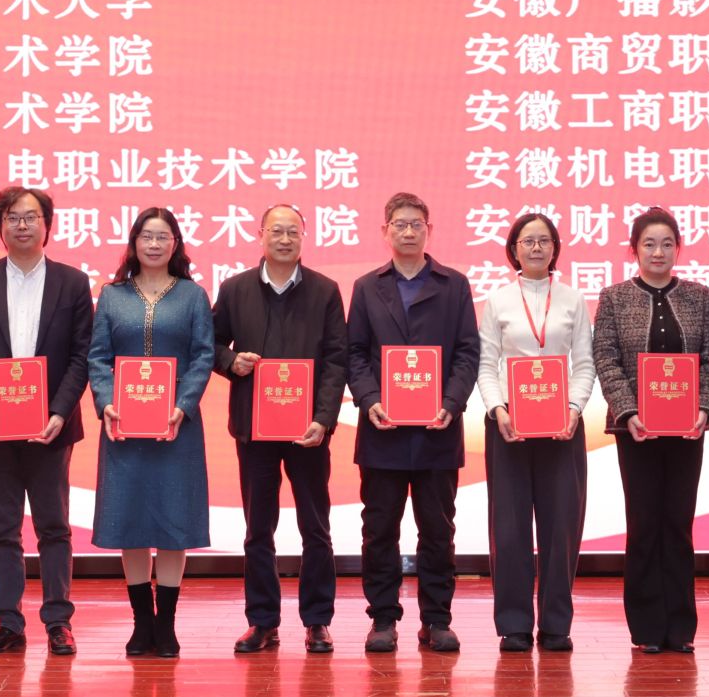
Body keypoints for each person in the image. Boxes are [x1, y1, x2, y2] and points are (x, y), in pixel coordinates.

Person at [0, 185, 94, 657]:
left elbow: (82, 354)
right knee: (2, 529)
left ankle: (58, 621)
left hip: (51, 428)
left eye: (31, 217)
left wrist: (60, 411)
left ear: (47, 225)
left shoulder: (72, 282)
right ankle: (8, 622)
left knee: (54, 527)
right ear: (0, 226)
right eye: (12, 217)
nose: (22, 225)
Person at [345, 193, 482, 654]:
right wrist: (370, 399)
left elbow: (468, 352)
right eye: (400, 224)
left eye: (416, 224)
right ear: (385, 231)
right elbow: (355, 353)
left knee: (438, 531)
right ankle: (383, 619)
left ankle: (436, 620)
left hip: (437, 430)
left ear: (429, 230)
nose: (408, 231)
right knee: (379, 529)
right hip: (382, 431)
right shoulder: (367, 287)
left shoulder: (454, 285)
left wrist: (451, 402)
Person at [211, 204, 347, 655]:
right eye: (277, 231)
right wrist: (231, 361)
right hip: (254, 429)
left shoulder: (325, 291)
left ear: (304, 237)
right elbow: (209, 342)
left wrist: (323, 419)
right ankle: (262, 621)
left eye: (293, 232)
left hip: (308, 430)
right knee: (258, 529)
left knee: (316, 527)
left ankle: (317, 621)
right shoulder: (235, 289)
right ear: (261, 235)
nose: (285, 239)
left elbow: (337, 360)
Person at [88, 208, 216, 659]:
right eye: (147, 236)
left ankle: (167, 624)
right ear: (134, 243)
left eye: (163, 237)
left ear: (175, 244)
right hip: (123, 427)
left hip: (176, 428)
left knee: (173, 522)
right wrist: (107, 402)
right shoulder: (112, 295)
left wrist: (183, 406)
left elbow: (203, 356)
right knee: (131, 522)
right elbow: (97, 357)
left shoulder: (193, 296)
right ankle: (142, 622)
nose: (155, 244)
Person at [590, 208, 709, 654]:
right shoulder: (614, 298)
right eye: (649, 244)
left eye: (666, 244)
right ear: (634, 250)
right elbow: (606, 359)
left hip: (687, 431)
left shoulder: (700, 297)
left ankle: (680, 628)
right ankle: (646, 628)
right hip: (636, 431)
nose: (658, 252)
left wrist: (704, 407)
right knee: (644, 524)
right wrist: (628, 411)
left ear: (678, 248)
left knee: (678, 524)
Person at [477, 211, 594, 653]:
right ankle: (514, 625)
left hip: (563, 427)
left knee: (561, 527)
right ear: (513, 249)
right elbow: (487, 364)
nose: (537, 248)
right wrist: (498, 409)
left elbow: (584, 363)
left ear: (555, 248)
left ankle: (556, 624)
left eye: (544, 240)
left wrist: (574, 409)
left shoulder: (573, 299)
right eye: (528, 241)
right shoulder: (498, 300)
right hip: (509, 426)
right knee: (508, 529)